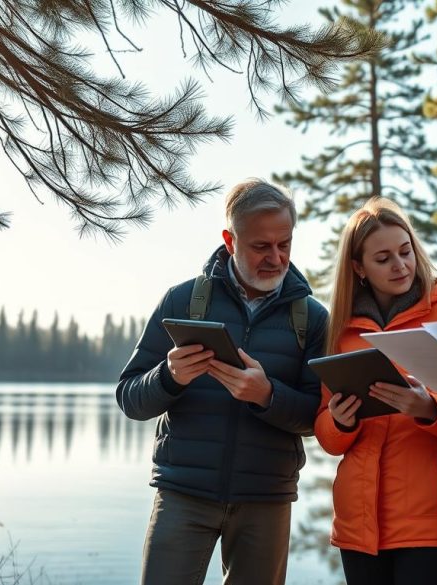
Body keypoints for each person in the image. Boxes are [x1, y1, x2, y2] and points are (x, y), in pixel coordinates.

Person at [116, 179, 328, 585]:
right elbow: (129, 398)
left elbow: (316, 419)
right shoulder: (182, 301)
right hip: (182, 494)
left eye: (284, 245)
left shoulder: (311, 318)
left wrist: (267, 396)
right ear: (230, 240)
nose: (276, 258)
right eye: (261, 246)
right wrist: (169, 376)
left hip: (266, 499)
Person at [314, 197, 437, 585]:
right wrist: (341, 421)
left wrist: (428, 408)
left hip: (429, 517)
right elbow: (326, 435)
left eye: (406, 251)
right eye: (384, 258)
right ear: (358, 267)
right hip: (358, 522)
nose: (400, 265)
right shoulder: (343, 332)